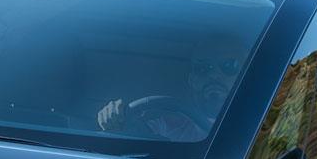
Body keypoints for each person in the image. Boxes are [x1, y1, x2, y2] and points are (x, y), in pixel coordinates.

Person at [95, 47, 242, 142]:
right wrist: (115, 122)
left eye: (229, 66)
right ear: (192, 79)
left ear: (244, 75)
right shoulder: (168, 125)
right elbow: (134, 140)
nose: (215, 74)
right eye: (204, 68)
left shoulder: (259, 131)